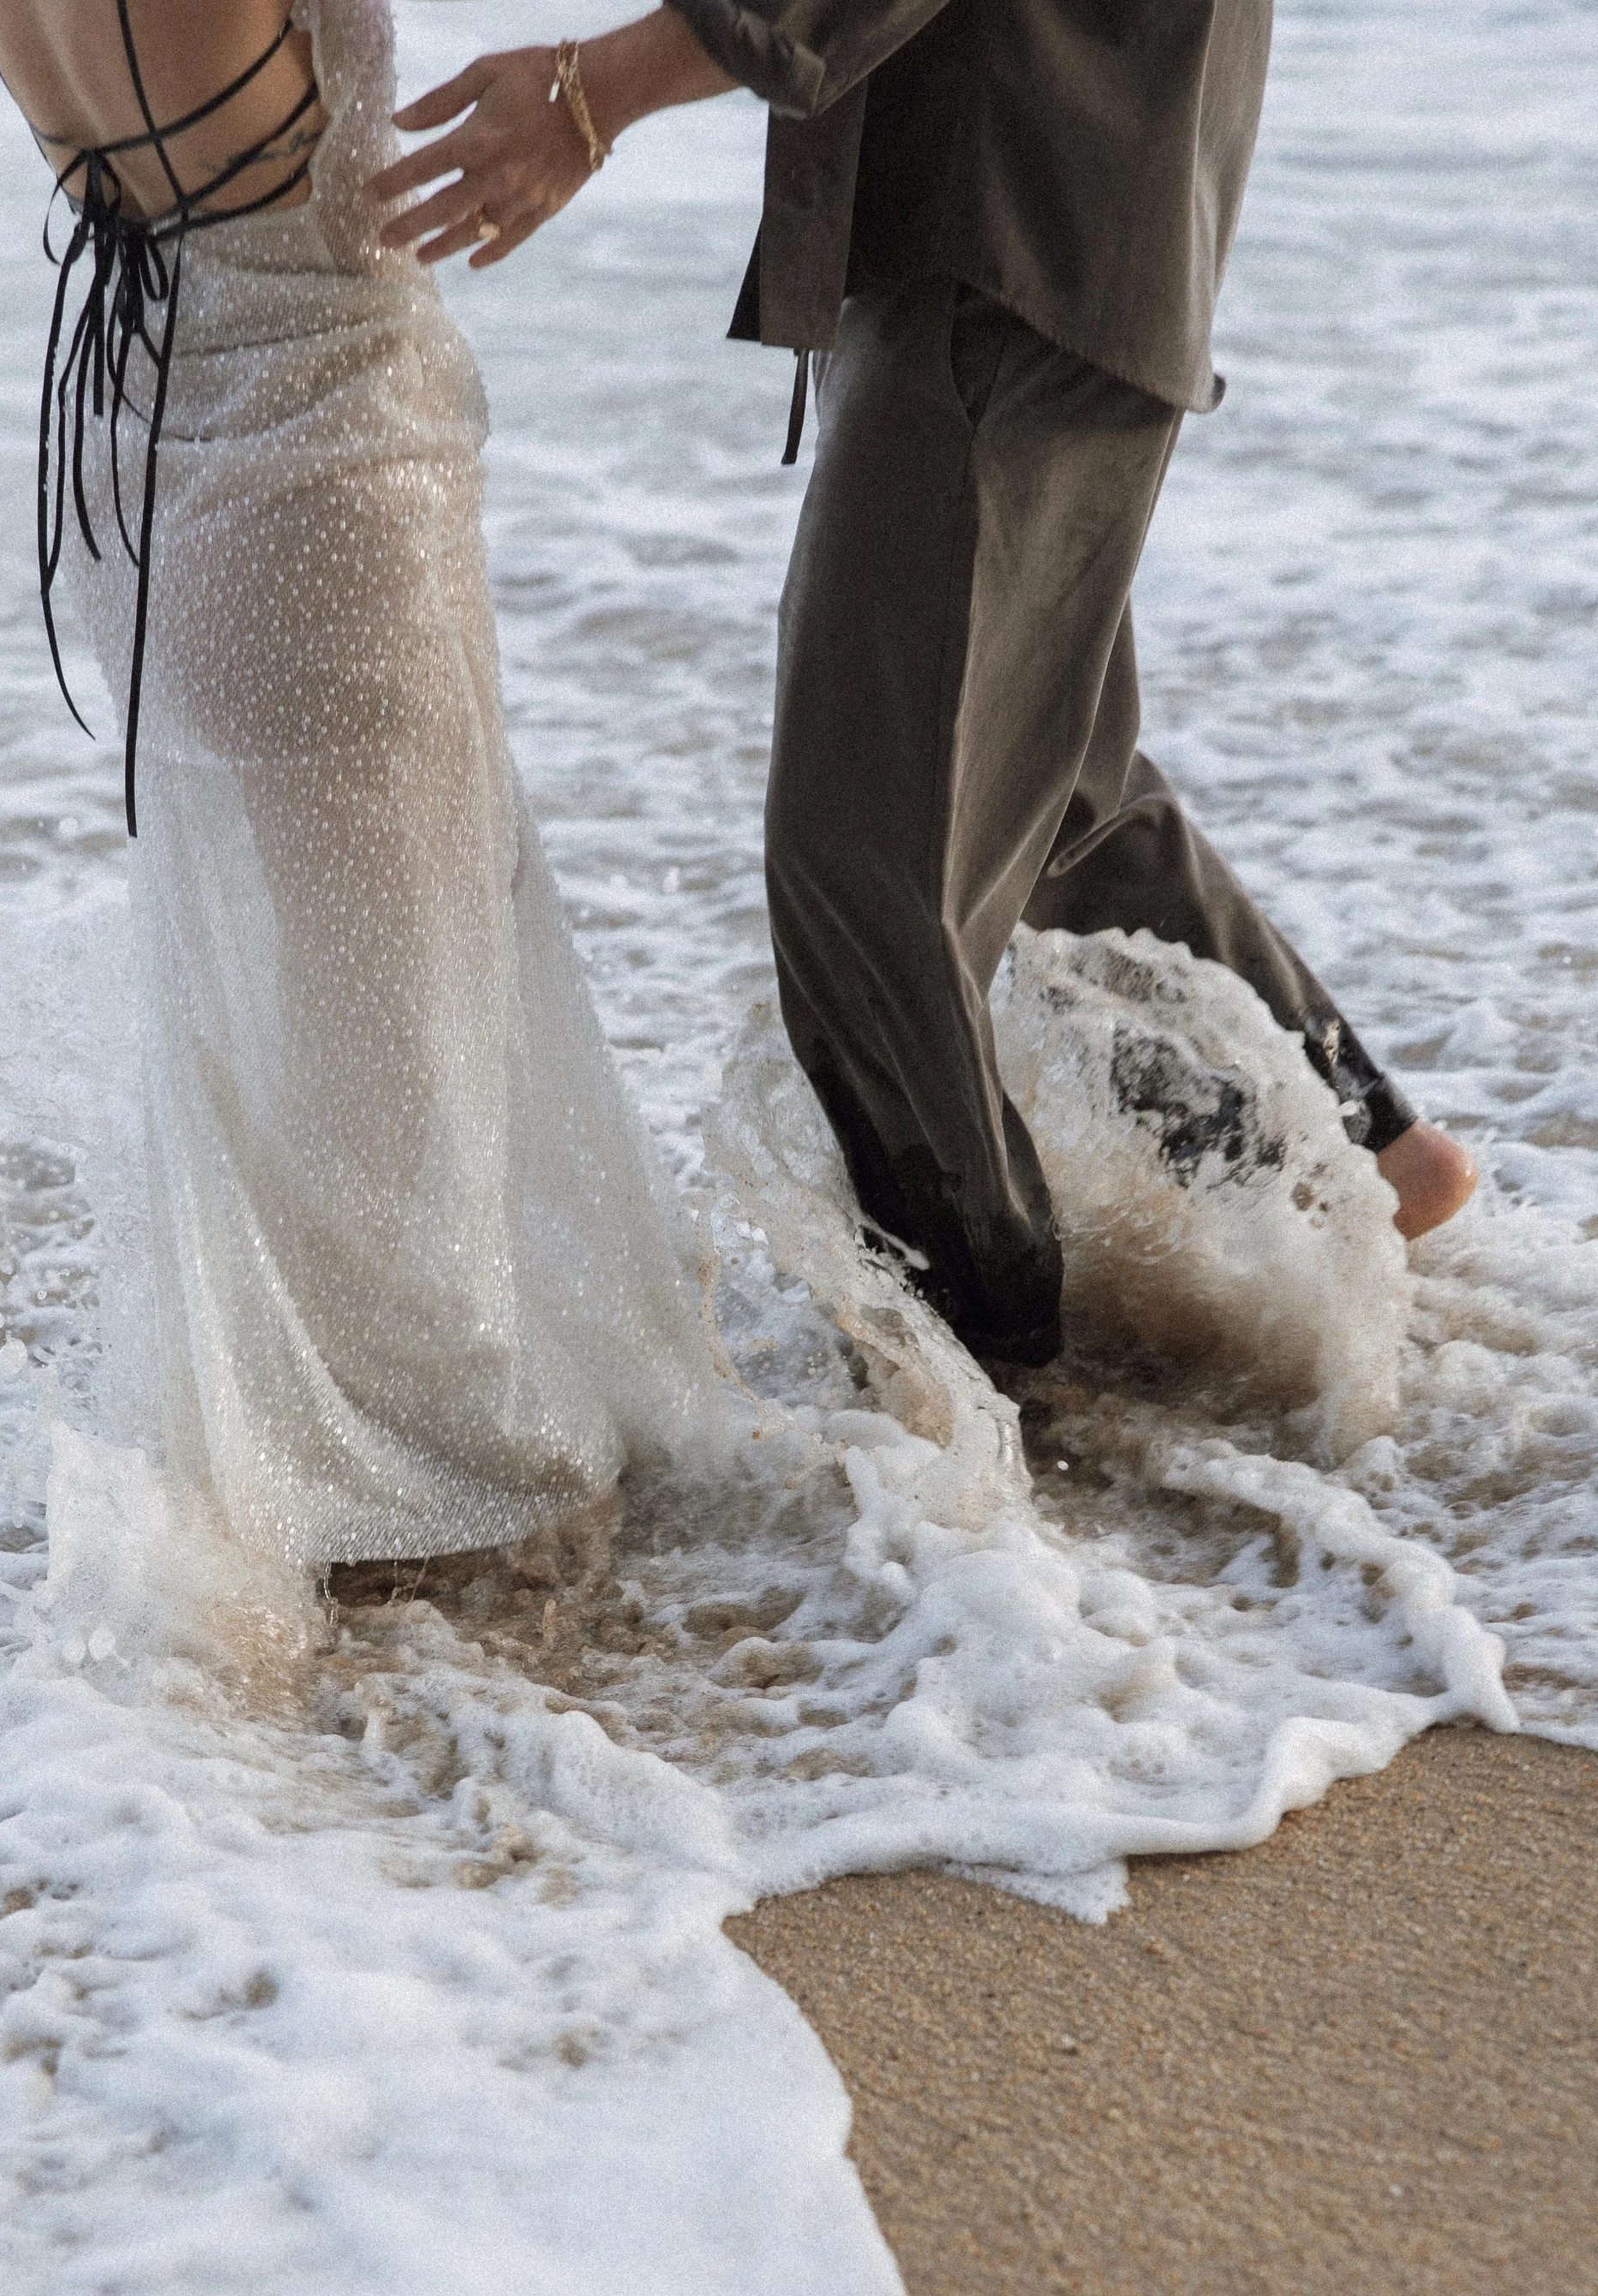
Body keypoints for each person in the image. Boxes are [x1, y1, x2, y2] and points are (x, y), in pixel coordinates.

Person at [369, 0, 1480, 1368]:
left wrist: (599, 89)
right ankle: (1357, 1150)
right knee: (1044, 783)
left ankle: (994, 1367)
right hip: (1056, 187)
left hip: (1018, 194)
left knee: (861, 858)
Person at [0, 0, 717, 1569]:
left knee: (279, 1047)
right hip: (324, 467)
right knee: (416, 1052)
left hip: (138, 451)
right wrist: (608, 89)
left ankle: (301, 1504)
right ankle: (459, 1555)